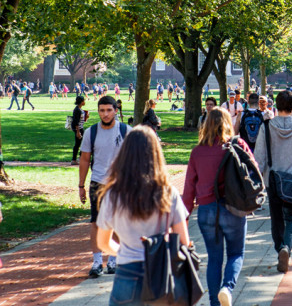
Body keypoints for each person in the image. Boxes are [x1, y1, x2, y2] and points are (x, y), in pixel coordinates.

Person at [97, 126, 189, 306]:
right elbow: (184, 242)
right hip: (160, 275)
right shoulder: (168, 193)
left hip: (126, 273)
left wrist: (123, 251)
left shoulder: (113, 195)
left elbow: (102, 242)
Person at [183, 108, 253, 306]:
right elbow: (252, 169)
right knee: (236, 253)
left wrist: (184, 218)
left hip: (206, 210)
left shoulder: (197, 152)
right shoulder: (238, 145)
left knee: (214, 259)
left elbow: (189, 188)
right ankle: (227, 288)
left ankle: (215, 302)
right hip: (233, 207)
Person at [254, 90, 292, 273]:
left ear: (276, 106)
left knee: (276, 218)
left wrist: (257, 179)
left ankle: (280, 248)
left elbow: (259, 156)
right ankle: (287, 246)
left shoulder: (266, 127)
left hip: (272, 179)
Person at [78, 95, 131, 278]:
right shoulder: (90, 132)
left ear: (116, 110)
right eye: (102, 110)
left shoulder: (126, 131)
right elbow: (84, 160)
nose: (106, 114)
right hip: (98, 183)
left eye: (109, 110)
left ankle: (114, 260)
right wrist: (81, 185)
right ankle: (97, 262)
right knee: (96, 223)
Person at [71, 96, 89, 165]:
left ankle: (80, 157)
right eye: (84, 100)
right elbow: (76, 122)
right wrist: (78, 132)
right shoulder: (77, 110)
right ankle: (74, 159)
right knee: (78, 144)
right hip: (78, 128)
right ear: (81, 102)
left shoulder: (80, 109)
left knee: (84, 142)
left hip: (80, 128)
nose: (85, 102)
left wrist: (86, 117)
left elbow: (82, 120)